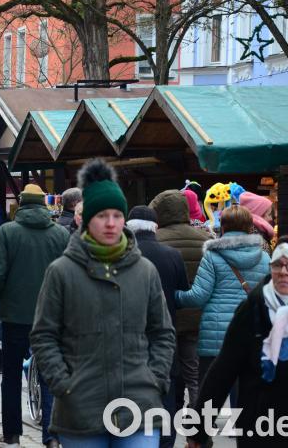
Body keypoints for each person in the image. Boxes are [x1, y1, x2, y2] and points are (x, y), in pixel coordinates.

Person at [31, 159, 175, 448]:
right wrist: (64, 385)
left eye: (116, 215)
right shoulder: (62, 271)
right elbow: (44, 335)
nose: (110, 223)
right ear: (86, 220)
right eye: (101, 216)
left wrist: (155, 378)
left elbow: (162, 332)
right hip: (81, 408)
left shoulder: (144, 271)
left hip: (139, 405)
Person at [186, 235, 288, 448]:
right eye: (278, 264)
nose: (283, 272)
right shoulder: (255, 308)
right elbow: (223, 370)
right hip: (263, 427)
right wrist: (199, 429)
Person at [0, 184, 69, 447]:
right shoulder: (60, 234)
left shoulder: (7, 232)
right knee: (49, 377)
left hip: (14, 317)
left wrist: (5, 297)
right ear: (44, 205)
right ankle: (52, 436)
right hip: (51, 319)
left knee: (10, 376)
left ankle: (12, 434)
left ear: (21, 204)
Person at [176, 205, 270, 402]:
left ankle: (203, 431)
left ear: (223, 228)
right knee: (245, 397)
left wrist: (175, 296)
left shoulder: (212, 256)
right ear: (249, 228)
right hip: (251, 333)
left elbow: (198, 296)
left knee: (208, 398)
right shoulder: (264, 258)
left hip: (215, 335)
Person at [126, 205, 189, 448]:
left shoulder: (120, 255)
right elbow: (181, 293)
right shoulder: (172, 255)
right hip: (165, 336)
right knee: (167, 397)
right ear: (156, 228)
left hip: (129, 339)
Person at [149, 189, 213, 411]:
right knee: (193, 371)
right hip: (196, 316)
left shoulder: (155, 241)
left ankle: (171, 410)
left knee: (167, 367)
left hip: (166, 315)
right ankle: (198, 417)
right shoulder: (206, 239)